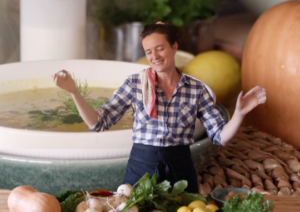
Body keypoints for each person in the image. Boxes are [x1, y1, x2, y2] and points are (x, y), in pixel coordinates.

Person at [52, 21, 266, 193]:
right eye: (148, 52)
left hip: (181, 167)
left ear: (174, 46)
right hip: (141, 166)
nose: (154, 56)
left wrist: (239, 113)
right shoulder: (135, 84)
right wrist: (73, 91)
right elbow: (98, 122)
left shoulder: (197, 89)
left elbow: (219, 136)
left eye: (160, 48)